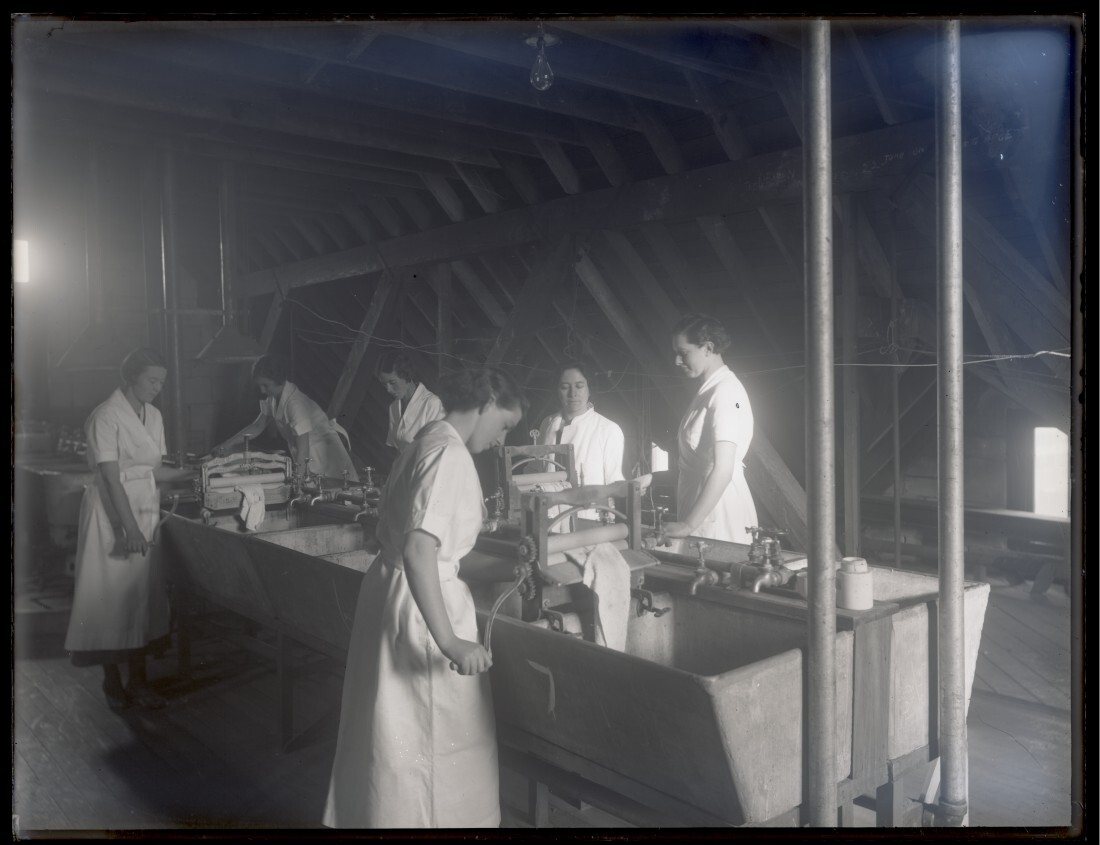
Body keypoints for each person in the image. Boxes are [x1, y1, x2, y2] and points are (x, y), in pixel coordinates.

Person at [323, 366, 527, 829]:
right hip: (421, 612)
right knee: (429, 742)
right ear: (487, 403)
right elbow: (420, 551)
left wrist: (511, 567)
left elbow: (440, 556)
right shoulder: (449, 455)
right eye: (505, 425)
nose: (501, 440)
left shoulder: (424, 440)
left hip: (398, 594)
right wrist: (451, 642)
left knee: (394, 735)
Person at [64, 347, 196, 710]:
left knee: (140, 597)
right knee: (110, 600)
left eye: (161, 382)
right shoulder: (105, 416)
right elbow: (110, 478)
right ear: (131, 377)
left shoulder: (153, 415)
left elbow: (153, 470)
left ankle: (139, 683)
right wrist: (129, 529)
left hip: (144, 509)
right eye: (152, 380)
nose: (157, 388)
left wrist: (189, 474)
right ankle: (112, 683)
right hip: (112, 515)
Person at [662, 315, 759, 545]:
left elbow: (723, 469)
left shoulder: (726, 392)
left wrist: (688, 525)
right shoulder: (709, 390)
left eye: (683, 353)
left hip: (719, 514)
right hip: (701, 508)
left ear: (708, 348)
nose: (677, 361)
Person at [211, 354, 358, 482]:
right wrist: (227, 444)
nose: (262, 390)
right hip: (307, 457)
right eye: (259, 385)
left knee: (339, 495)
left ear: (279, 380)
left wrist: (298, 480)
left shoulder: (295, 404)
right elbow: (257, 426)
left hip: (325, 457)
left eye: (265, 385)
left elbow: (304, 448)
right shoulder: (273, 397)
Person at [536, 361, 625, 522]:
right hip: (546, 515)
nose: (573, 393)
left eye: (579, 386)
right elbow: (536, 470)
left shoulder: (608, 429)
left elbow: (615, 485)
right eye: (565, 387)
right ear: (557, 391)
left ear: (589, 389)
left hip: (588, 519)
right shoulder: (547, 424)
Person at [376, 350, 445, 453]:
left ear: (406, 375)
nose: (388, 389)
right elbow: (397, 449)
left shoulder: (432, 404)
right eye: (384, 384)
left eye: (392, 382)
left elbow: (438, 450)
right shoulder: (394, 407)